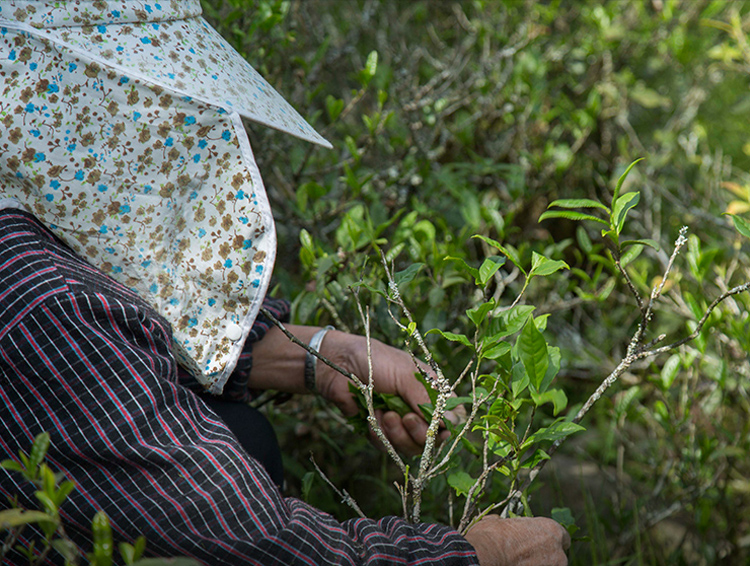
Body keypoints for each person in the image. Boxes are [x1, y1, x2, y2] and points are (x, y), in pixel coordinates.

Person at [0, 1, 570, 564]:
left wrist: (325, 356)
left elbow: (105, 353)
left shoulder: (29, 242)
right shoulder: (39, 300)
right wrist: (479, 553)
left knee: (242, 432)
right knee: (243, 442)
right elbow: (257, 545)